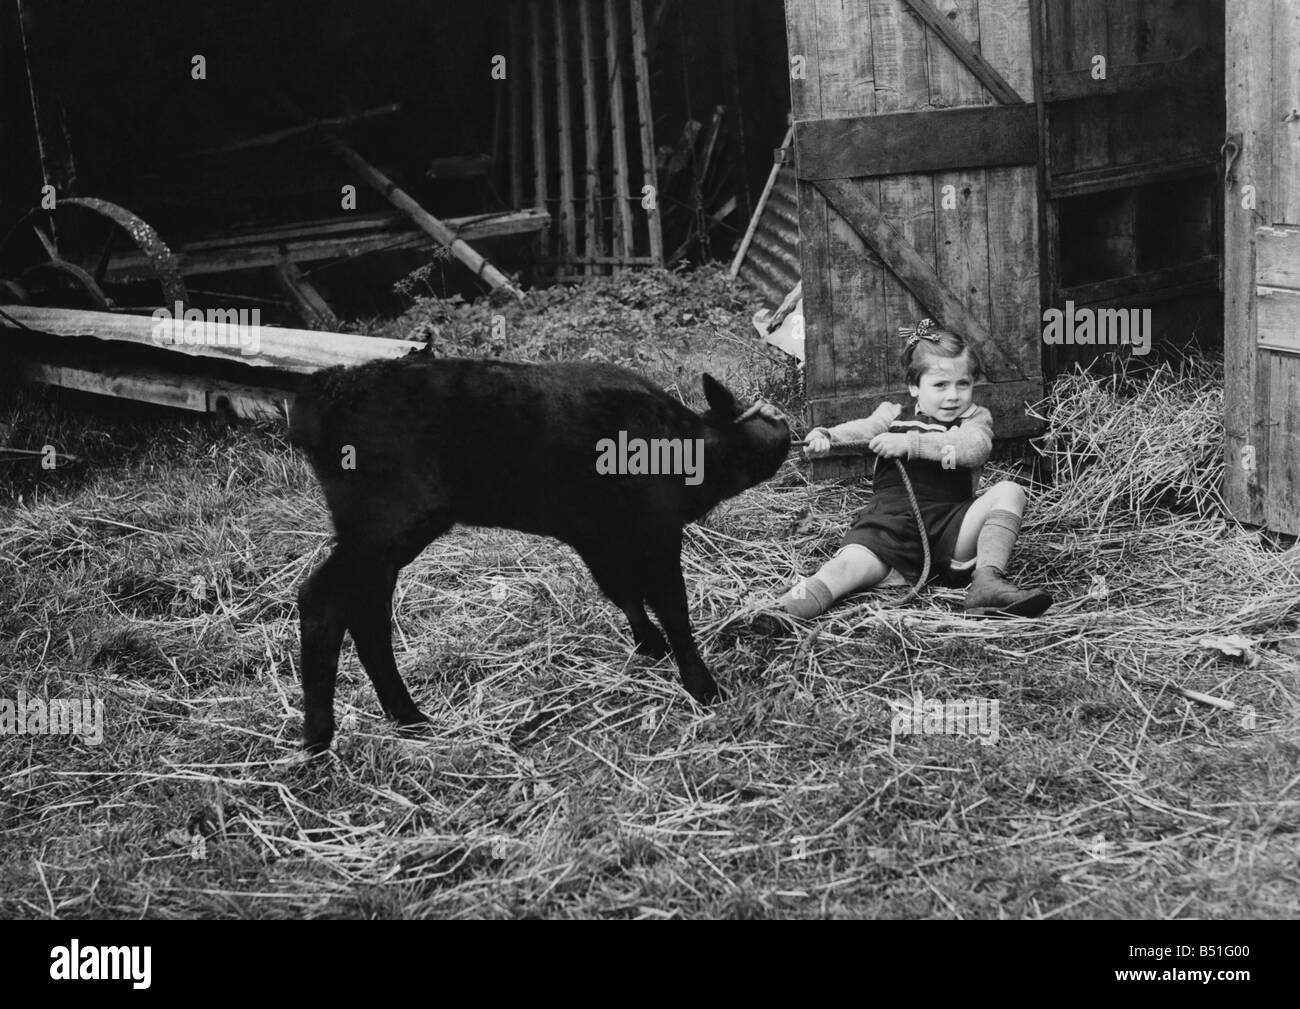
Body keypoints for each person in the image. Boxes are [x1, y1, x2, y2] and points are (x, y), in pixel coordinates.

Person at [774, 319, 1051, 619]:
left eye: (963, 384)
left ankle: (987, 582)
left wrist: (911, 444)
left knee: (1010, 491)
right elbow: (860, 431)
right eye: (940, 385)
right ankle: (781, 611)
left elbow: (975, 448)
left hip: (950, 529)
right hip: (889, 526)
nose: (953, 396)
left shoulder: (974, 419)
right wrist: (827, 437)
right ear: (914, 387)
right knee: (842, 569)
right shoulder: (892, 415)